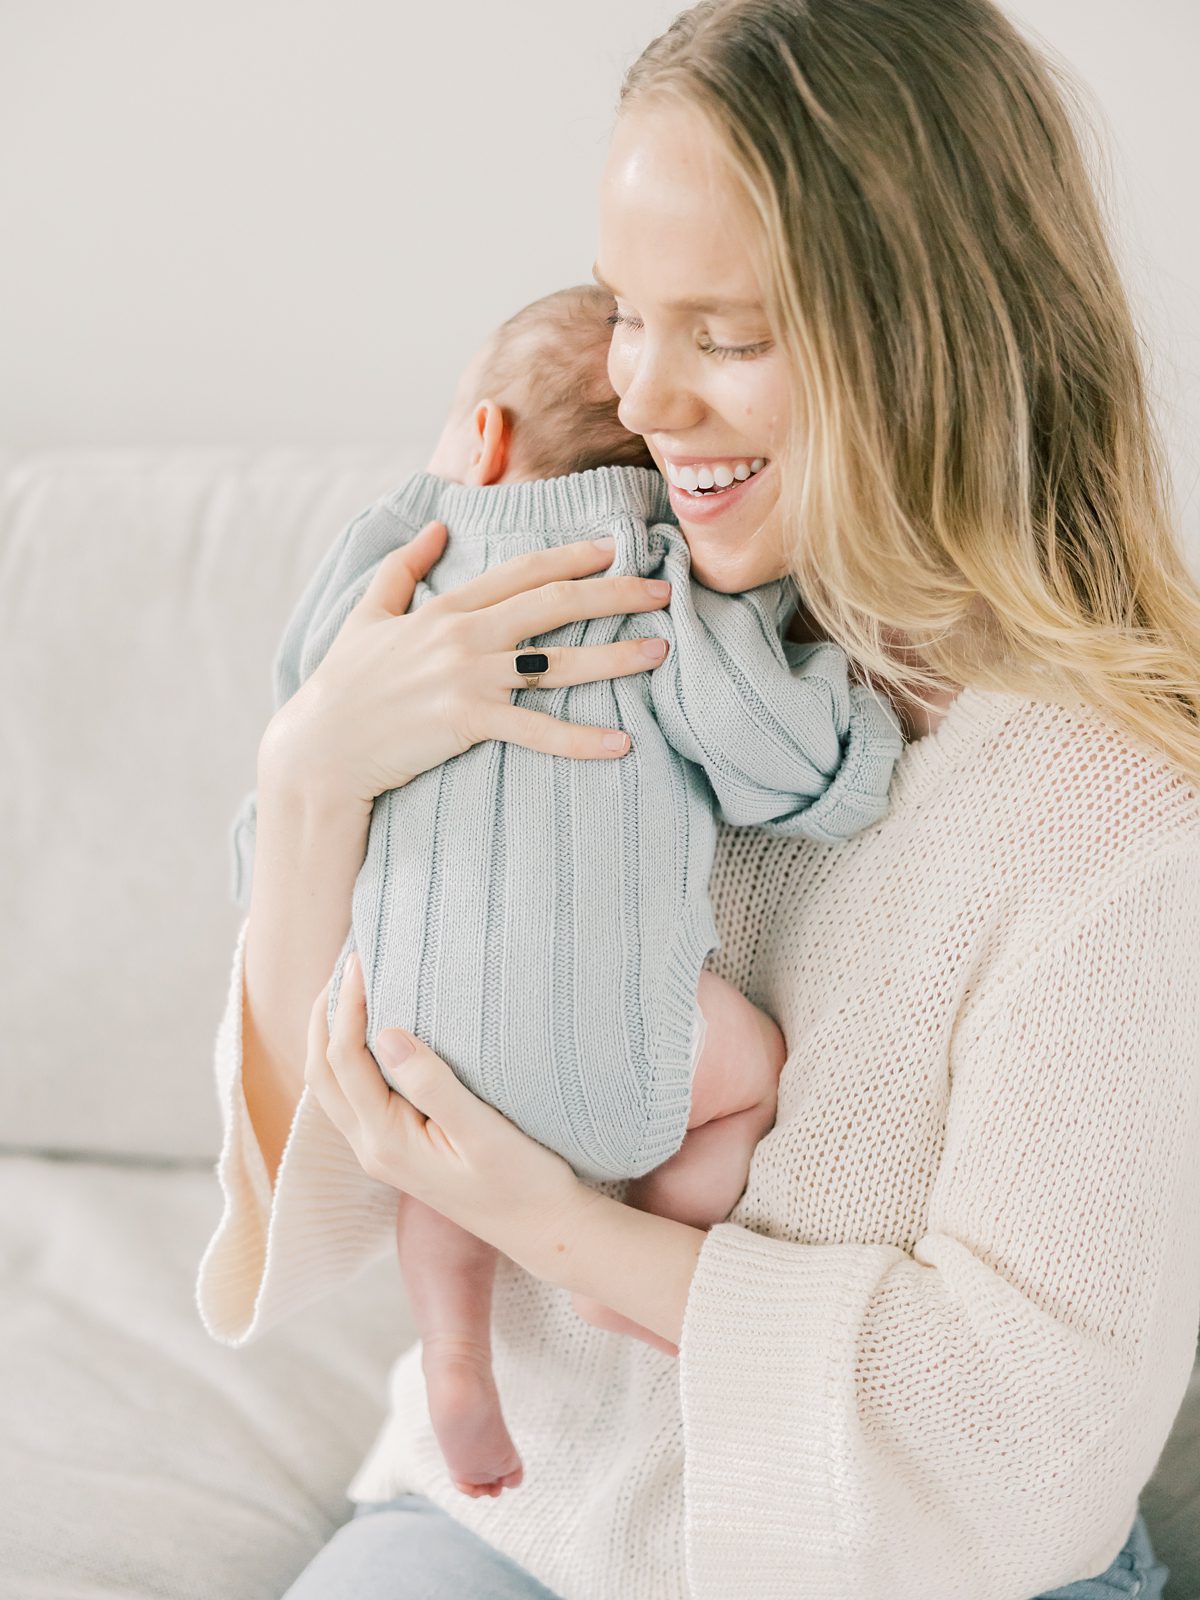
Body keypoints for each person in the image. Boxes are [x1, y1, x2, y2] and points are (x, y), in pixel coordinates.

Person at [196, 1, 1200, 1596]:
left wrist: (560, 1230)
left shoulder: (1113, 817)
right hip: (521, 1504)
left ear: (933, 345)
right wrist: (312, 779)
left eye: (726, 335)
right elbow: (336, 1149)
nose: (648, 401)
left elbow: (1032, 1441)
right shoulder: (607, 622)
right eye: (626, 317)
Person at [226, 279, 903, 1500]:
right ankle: (648, 1240)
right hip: (628, 1062)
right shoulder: (663, 575)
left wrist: (291, 800)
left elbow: (300, 719)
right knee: (740, 1075)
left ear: (482, 438)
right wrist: (856, 749)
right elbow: (766, 751)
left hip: (404, 1033)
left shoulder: (391, 565)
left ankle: (454, 1354)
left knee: (444, 1151)